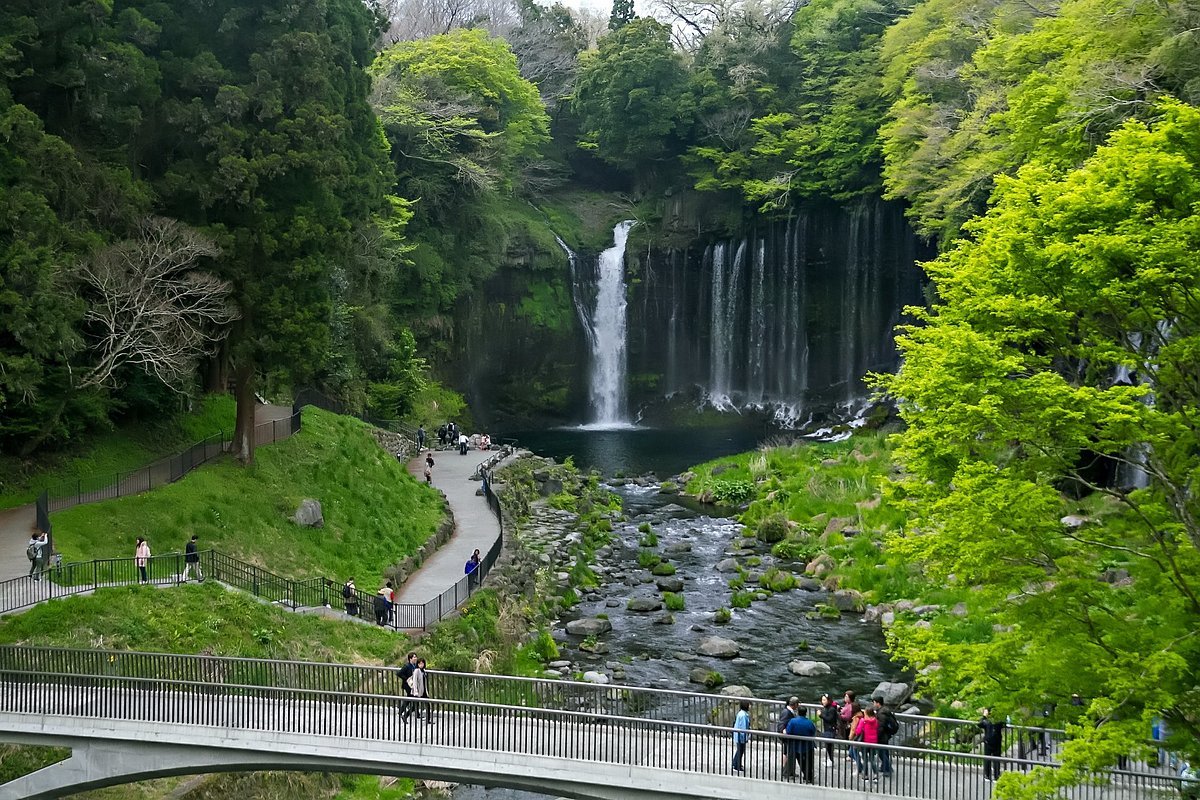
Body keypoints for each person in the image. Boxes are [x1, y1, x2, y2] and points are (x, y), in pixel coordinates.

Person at [785, 707, 818, 783]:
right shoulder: (809, 722)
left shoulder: (792, 721)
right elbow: (813, 731)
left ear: (798, 712)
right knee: (809, 762)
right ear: (806, 713)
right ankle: (808, 777)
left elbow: (788, 731)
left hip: (796, 745)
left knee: (801, 761)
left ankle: (805, 775)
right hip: (808, 745)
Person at [873, 696, 898, 777]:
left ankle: (887, 769)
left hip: (882, 736)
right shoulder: (885, 711)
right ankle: (885, 767)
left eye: (874, 702)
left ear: (878, 703)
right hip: (886, 735)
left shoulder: (881, 714)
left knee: (882, 753)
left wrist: (876, 736)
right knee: (884, 752)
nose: (873, 704)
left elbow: (881, 727)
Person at [979, 707, 1006, 782]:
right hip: (996, 741)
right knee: (995, 759)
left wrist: (984, 716)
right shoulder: (998, 722)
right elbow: (1005, 723)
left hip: (989, 741)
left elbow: (980, 723)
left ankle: (987, 775)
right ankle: (996, 775)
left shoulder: (987, 721)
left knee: (988, 758)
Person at [856, 707, 881, 780]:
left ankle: (866, 775)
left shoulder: (863, 721)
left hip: (865, 742)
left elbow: (858, 731)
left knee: (865, 759)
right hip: (873, 742)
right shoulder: (875, 721)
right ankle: (876, 774)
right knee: (872, 759)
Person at [777, 697, 799, 769]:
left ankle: (786, 769)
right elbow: (782, 723)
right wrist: (783, 731)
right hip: (786, 735)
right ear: (795, 704)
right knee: (787, 752)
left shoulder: (787, 711)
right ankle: (786, 769)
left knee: (786, 752)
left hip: (787, 734)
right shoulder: (787, 712)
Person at [820, 693, 840, 764]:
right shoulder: (827, 708)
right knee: (828, 745)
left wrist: (821, 715)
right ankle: (830, 759)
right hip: (827, 729)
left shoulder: (831, 709)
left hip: (830, 729)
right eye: (822, 700)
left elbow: (830, 719)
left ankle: (831, 760)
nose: (823, 701)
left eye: (824, 700)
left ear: (828, 700)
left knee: (829, 745)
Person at [732, 699, 751, 774]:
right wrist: (745, 737)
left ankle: (735, 763)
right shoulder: (743, 715)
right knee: (740, 750)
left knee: (739, 750)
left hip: (738, 735)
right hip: (741, 737)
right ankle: (737, 765)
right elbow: (743, 728)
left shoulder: (741, 713)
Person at [398, 652, 418, 722]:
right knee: (414, 699)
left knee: (410, 699)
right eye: (414, 657)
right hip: (408, 685)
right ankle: (405, 715)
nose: (415, 658)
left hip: (413, 685)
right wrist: (406, 679)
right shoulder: (407, 666)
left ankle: (401, 711)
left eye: (416, 657)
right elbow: (399, 673)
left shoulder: (415, 666)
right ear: (410, 659)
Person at [412, 658, 433, 724]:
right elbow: (414, 682)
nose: (421, 665)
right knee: (415, 706)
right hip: (418, 691)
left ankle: (428, 720)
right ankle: (405, 715)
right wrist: (415, 691)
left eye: (422, 663)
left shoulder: (423, 671)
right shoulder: (416, 671)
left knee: (428, 705)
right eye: (420, 664)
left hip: (424, 691)